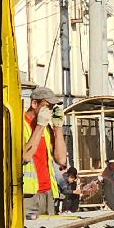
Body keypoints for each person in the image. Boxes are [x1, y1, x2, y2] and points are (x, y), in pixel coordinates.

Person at [23, 85, 68, 218]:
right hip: (28, 195)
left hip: (48, 193)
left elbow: (61, 160)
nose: (50, 111)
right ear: (34, 104)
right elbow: (25, 157)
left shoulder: (47, 128)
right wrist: (39, 126)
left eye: (52, 107)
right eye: (47, 106)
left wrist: (58, 128)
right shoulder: (20, 124)